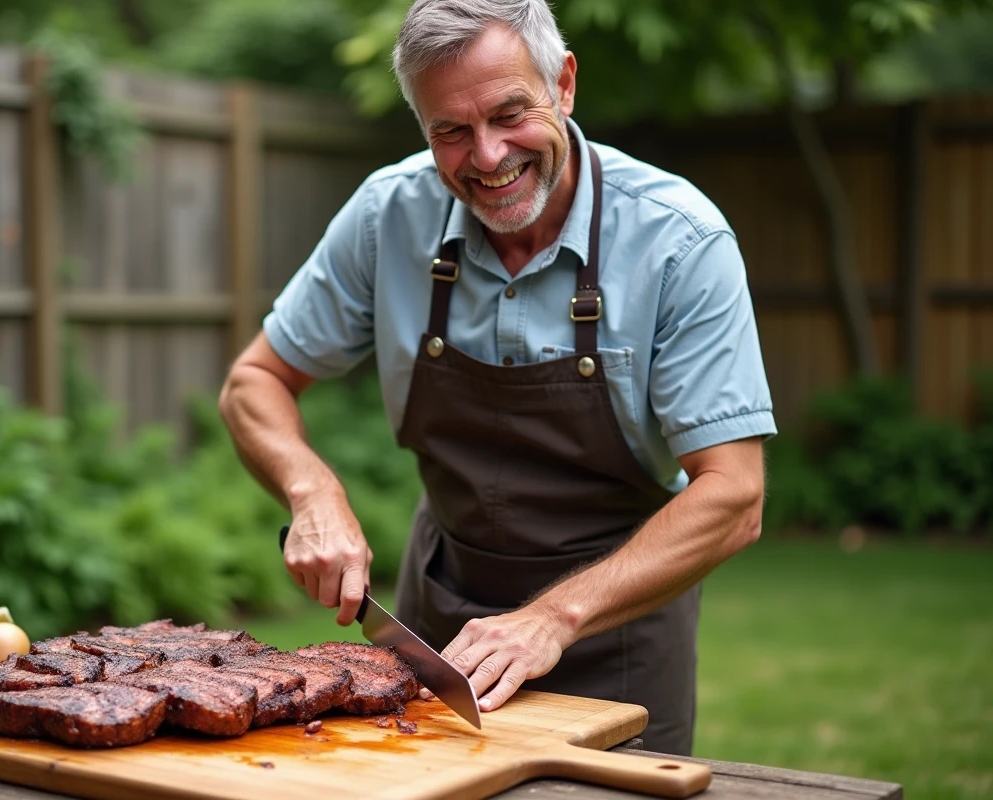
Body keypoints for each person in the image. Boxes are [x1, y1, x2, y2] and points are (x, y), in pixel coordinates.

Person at [218, 0, 775, 756]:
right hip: (436, 633)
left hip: (620, 640)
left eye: (510, 115)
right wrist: (312, 491)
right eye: (450, 130)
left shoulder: (679, 240)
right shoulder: (389, 216)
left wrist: (553, 617)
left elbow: (734, 494)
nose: (486, 156)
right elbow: (254, 381)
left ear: (564, 84)